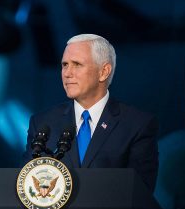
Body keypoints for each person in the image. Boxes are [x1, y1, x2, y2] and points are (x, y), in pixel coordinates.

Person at [22, 33, 159, 192]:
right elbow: (27, 184)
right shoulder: (43, 123)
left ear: (104, 72)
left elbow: (140, 193)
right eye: (65, 65)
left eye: (77, 64)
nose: (67, 73)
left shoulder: (137, 125)